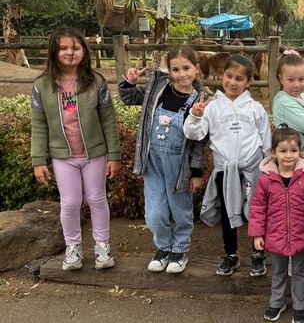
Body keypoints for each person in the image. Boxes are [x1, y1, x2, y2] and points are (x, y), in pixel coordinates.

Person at [31, 26, 121, 271]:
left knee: (96, 198)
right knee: (70, 202)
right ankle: (73, 248)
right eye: (63, 48)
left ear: (84, 51)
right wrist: (38, 159)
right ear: (54, 51)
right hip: (63, 157)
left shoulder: (96, 82)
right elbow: (39, 124)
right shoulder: (41, 86)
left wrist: (114, 155)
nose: (70, 53)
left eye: (75, 47)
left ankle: (102, 247)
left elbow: (108, 120)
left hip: (95, 154)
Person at [118, 46, 207, 274]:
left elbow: (199, 142)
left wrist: (196, 173)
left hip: (180, 166)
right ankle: (163, 247)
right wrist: (130, 83)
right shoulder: (157, 89)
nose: (182, 74)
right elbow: (130, 99)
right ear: (169, 71)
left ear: (196, 68)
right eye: (175, 69)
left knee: (180, 210)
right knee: (155, 213)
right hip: (153, 161)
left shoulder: (202, 100)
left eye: (186, 68)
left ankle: (180, 249)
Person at [183, 55, 271, 276]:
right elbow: (194, 133)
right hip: (225, 170)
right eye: (229, 76)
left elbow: (266, 138)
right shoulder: (211, 106)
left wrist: (269, 166)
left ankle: (258, 253)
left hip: (253, 169)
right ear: (222, 75)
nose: (232, 82)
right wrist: (195, 116)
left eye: (239, 78)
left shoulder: (255, 108)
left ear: (248, 82)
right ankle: (231, 253)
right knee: (227, 212)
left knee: (256, 212)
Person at [248, 126, 304, 323]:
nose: (289, 155)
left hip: (301, 233)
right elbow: (258, 207)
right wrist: (258, 234)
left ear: (300, 151)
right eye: (283, 151)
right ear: (274, 153)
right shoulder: (267, 179)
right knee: (279, 271)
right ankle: (277, 302)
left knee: (300, 272)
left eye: (293, 150)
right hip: (275, 234)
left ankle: (301, 306)